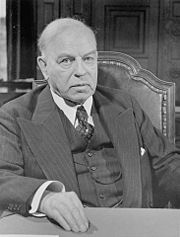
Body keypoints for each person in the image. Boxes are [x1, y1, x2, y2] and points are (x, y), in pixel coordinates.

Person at [0, 17, 180, 233]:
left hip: (133, 225)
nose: (81, 71)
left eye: (88, 59)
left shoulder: (125, 104)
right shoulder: (15, 115)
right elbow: (3, 177)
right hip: (65, 229)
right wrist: (45, 198)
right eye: (66, 61)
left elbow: (167, 163)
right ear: (44, 67)